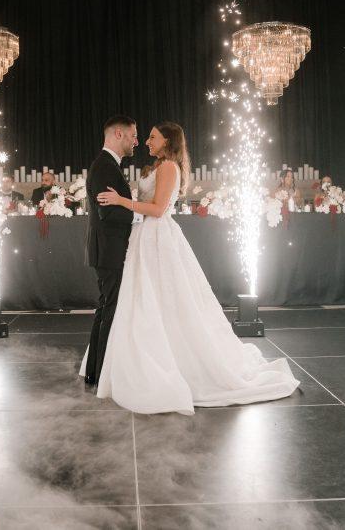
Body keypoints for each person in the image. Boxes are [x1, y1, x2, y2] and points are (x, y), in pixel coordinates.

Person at [83, 121, 300, 414]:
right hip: (143, 238)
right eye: (144, 137)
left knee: (163, 300)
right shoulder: (156, 166)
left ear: (168, 141)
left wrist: (122, 200)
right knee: (143, 301)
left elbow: (158, 209)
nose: (145, 141)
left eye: (152, 137)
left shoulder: (168, 167)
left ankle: (167, 361)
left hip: (157, 237)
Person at [82, 115, 138, 386]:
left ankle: (96, 371)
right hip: (109, 249)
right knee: (110, 309)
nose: (136, 142)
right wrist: (142, 214)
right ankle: (103, 373)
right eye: (133, 136)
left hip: (107, 248)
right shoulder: (105, 166)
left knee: (106, 308)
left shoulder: (107, 164)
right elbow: (109, 212)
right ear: (118, 134)